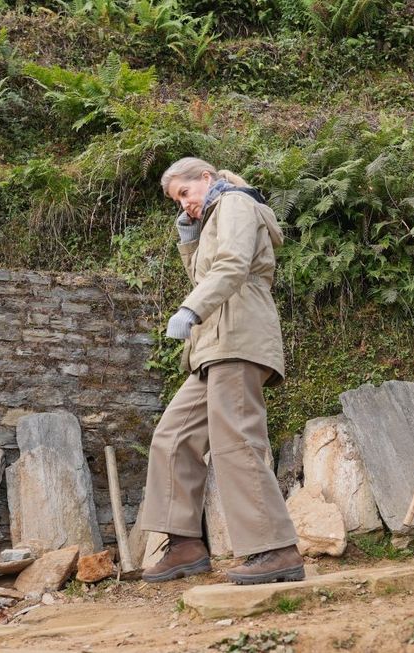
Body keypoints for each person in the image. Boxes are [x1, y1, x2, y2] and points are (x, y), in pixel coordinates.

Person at [139, 157, 304, 585]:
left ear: (206, 179)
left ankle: (276, 549)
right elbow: (206, 274)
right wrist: (190, 241)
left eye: (185, 194)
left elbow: (231, 266)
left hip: (240, 335)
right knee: (172, 437)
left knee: (235, 441)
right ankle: (185, 545)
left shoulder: (233, 203)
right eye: (177, 201)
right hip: (211, 345)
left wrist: (190, 308)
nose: (184, 205)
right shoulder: (211, 215)